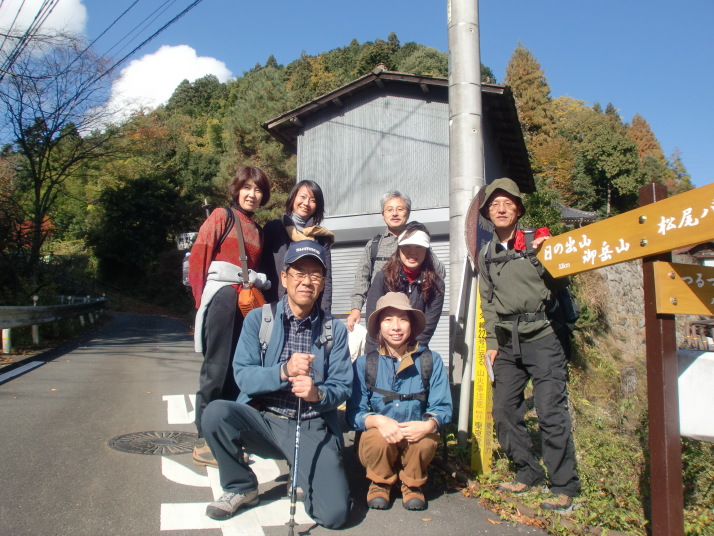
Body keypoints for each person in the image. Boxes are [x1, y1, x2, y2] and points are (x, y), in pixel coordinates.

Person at [201, 241, 353, 528]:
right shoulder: (259, 319)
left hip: (309, 424)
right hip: (264, 420)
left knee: (334, 515)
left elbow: (343, 385)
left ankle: (303, 470)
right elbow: (243, 375)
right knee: (216, 413)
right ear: (284, 277)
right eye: (299, 273)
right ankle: (241, 486)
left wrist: (317, 393)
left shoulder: (335, 330)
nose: (307, 281)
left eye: (315, 274)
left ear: (322, 283)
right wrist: (282, 371)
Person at [477, 177, 580, 512]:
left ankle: (565, 486)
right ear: (488, 214)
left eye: (508, 203)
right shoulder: (486, 254)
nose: (501, 208)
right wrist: (492, 341)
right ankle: (527, 471)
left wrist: (549, 254)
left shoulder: (539, 240)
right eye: (495, 205)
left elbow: (564, 277)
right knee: (504, 410)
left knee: (551, 411)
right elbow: (488, 302)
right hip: (507, 341)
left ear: (518, 210)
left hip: (544, 335)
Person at [188, 165, 272, 468]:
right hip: (222, 298)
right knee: (216, 368)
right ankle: (204, 439)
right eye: (247, 187)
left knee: (240, 370)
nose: (252, 194)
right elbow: (199, 258)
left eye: (258, 189)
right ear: (236, 189)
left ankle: (229, 435)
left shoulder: (258, 230)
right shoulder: (221, 216)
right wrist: (201, 304)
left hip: (247, 303)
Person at [347, 292, 452, 511]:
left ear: (412, 325)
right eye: (388, 320)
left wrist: (428, 425)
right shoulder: (365, 363)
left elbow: (442, 407)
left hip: (413, 439)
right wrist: (378, 421)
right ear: (378, 327)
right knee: (376, 438)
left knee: (424, 440)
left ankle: (413, 484)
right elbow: (354, 413)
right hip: (380, 443)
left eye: (403, 319)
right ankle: (379, 482)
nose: (396, 327)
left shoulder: (431, 360)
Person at [346, 190, 445, 332]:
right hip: (382, 311)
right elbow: (361, 278)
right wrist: (355, 309)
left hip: (412, 313)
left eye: (400, 209)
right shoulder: (375, 245)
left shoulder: (419, 242)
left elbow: (440, 273)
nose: (395, 214)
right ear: (383, 214)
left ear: (408, 213)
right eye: (389, 210)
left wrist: (421, 245)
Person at [364, 222, 445, 352]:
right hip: (378, 350)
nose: (412, 252)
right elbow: (372, 320)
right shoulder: (382, 277)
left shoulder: (436, 285)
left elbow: (426, 330)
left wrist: (407, 354)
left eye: (419, 246)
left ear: (427, 250)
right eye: (406, 246)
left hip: (415, 352)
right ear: (399, 249)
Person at [261, 180, 334, 312]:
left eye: (313, 200)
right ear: (293, 197)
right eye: (303, 197)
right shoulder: (274, 228)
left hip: (308, 306)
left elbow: (326, 279)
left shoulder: (321, 238)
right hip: (274, 302)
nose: (306, 203)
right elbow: (262, 267)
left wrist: (325, 313)